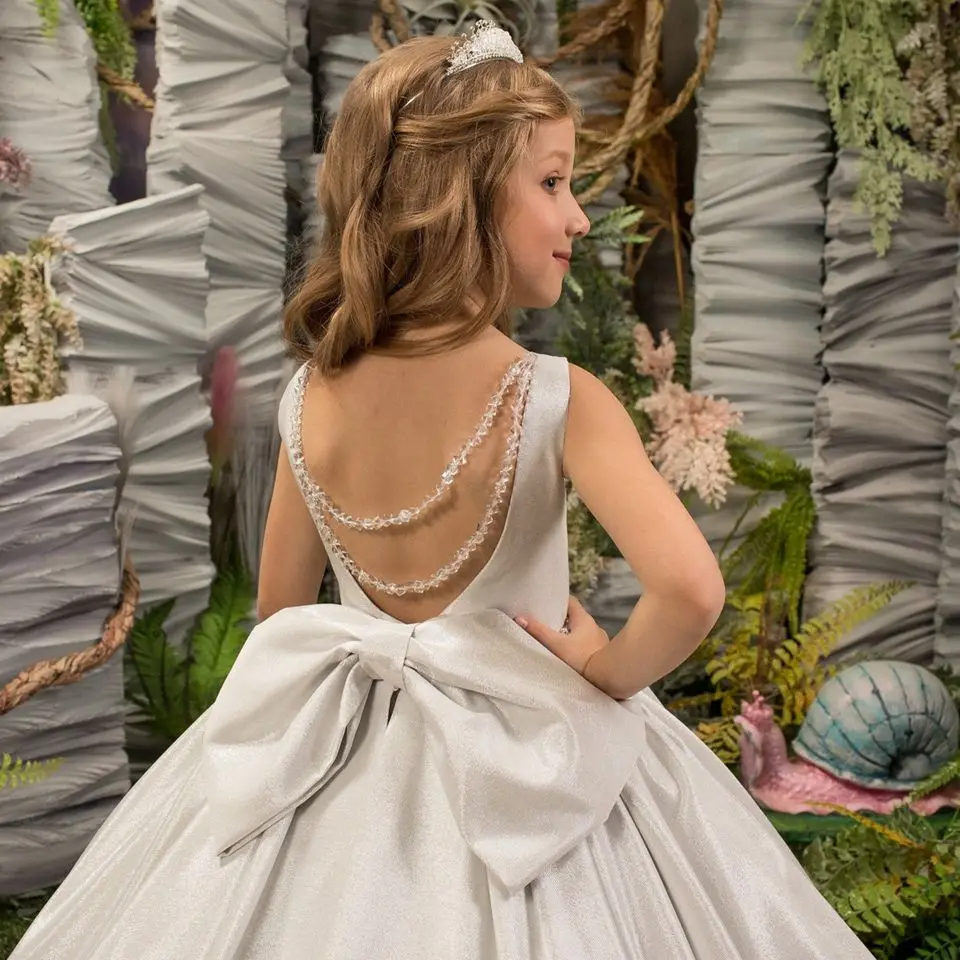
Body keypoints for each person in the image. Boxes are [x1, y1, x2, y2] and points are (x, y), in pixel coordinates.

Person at [11, 22, 874, 960]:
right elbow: (692, 592)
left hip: (338, 767)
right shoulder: (557, 399)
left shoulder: (309, 396)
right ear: (460, 197)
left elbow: (281, 617)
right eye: (553, 183)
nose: (579, 219)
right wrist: (602, 678)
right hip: (531, 777)